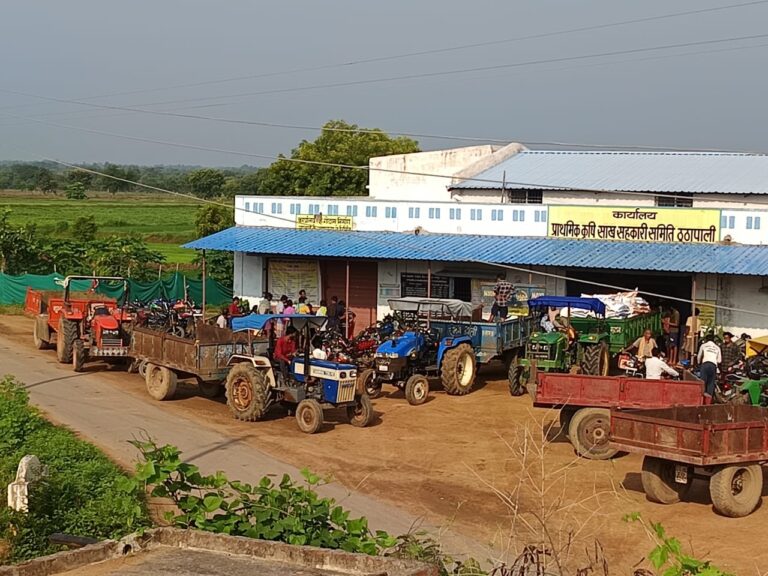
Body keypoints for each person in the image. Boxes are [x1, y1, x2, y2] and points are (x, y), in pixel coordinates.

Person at [698, 334, 722, 403]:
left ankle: (701, 401)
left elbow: (699, 356)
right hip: (713, 365)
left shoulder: (703, 345)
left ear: (706, 340)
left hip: (705, 364)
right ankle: (708, 402)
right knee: (710, 384)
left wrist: (699, 362)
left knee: (702, 382)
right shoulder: (717, 347)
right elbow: (719, 360)